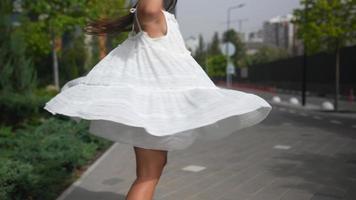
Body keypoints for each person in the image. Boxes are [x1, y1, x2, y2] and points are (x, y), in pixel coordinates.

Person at [44, 0, 272, 199]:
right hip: (151, 110)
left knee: (151, 170)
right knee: (148, 175)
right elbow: (149, 9)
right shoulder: (157, 19)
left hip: (150, 108)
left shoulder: (158, 22)